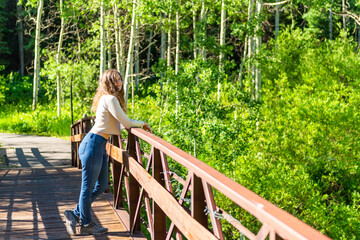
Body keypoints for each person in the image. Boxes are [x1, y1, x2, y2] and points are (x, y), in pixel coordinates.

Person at [64, 69, 152, 236]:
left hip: (100, 144)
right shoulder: (110, 98)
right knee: (87, 188)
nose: (118, 83)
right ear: (107, 83)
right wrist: (142, 123)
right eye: (115, 80)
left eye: (120, 79)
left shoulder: (109, 99)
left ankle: (74, 214)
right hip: (93, 144)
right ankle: (86, 224)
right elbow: (126, 123)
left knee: (102, 185)